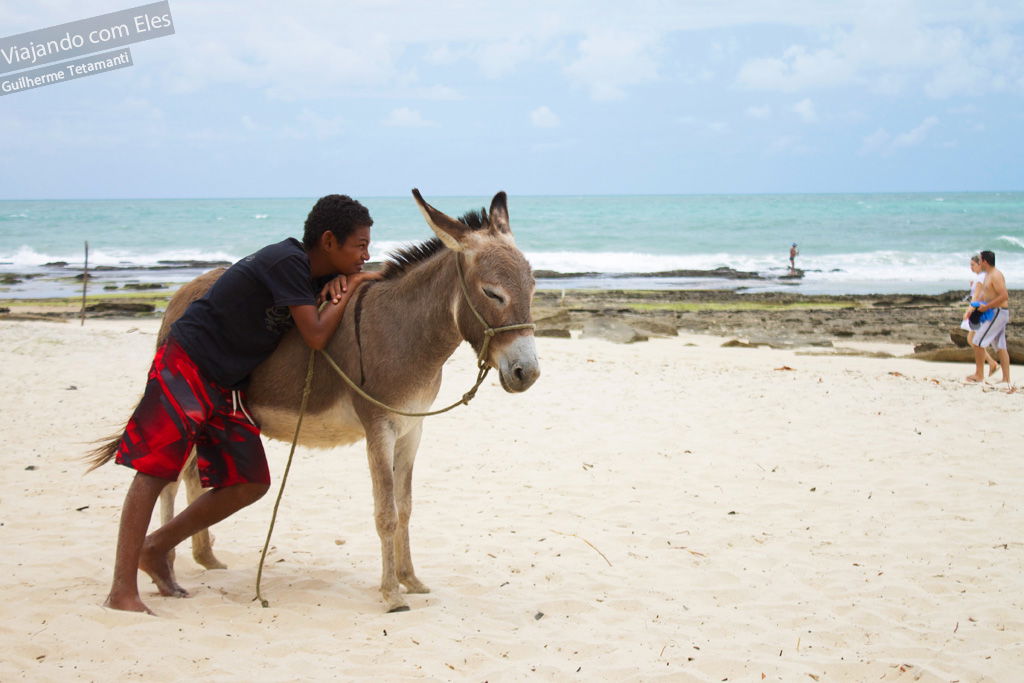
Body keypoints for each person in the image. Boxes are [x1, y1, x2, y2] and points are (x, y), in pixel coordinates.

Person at [103, 194, 382, 614]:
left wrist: (335, 287)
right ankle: (121, 590)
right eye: (360, 245)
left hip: (228, 382)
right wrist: (354, 285)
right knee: (155, 471)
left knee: (249, 481)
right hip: (190, 362)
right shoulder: (285, 261)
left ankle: (156, 547)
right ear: (328, 241)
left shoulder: (307, 277)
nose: (367, 255)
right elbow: (317, 335)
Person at [966, 250, 1011, 385]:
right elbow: (986, 295)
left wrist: (986, 307)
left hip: (998, 312)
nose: (979, 262)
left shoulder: (996, 275)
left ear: (985, 261)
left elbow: (1004, 296)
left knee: (978, 341)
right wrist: (974, 307)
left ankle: (979, 375)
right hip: (995, 312)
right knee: (1000, 346)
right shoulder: (988, 275)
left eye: (980, 260)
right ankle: (1006, 379)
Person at [961, 254, 998, 375]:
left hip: (979, 312)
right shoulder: (984, 277)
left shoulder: (981, 278)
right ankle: (991, 364)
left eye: (972, 265)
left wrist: (969, 310)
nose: (971, 267)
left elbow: (976, 297)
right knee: (972, 340)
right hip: (984, 310)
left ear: (979, 264)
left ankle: (983, 370)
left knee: (974, 340)